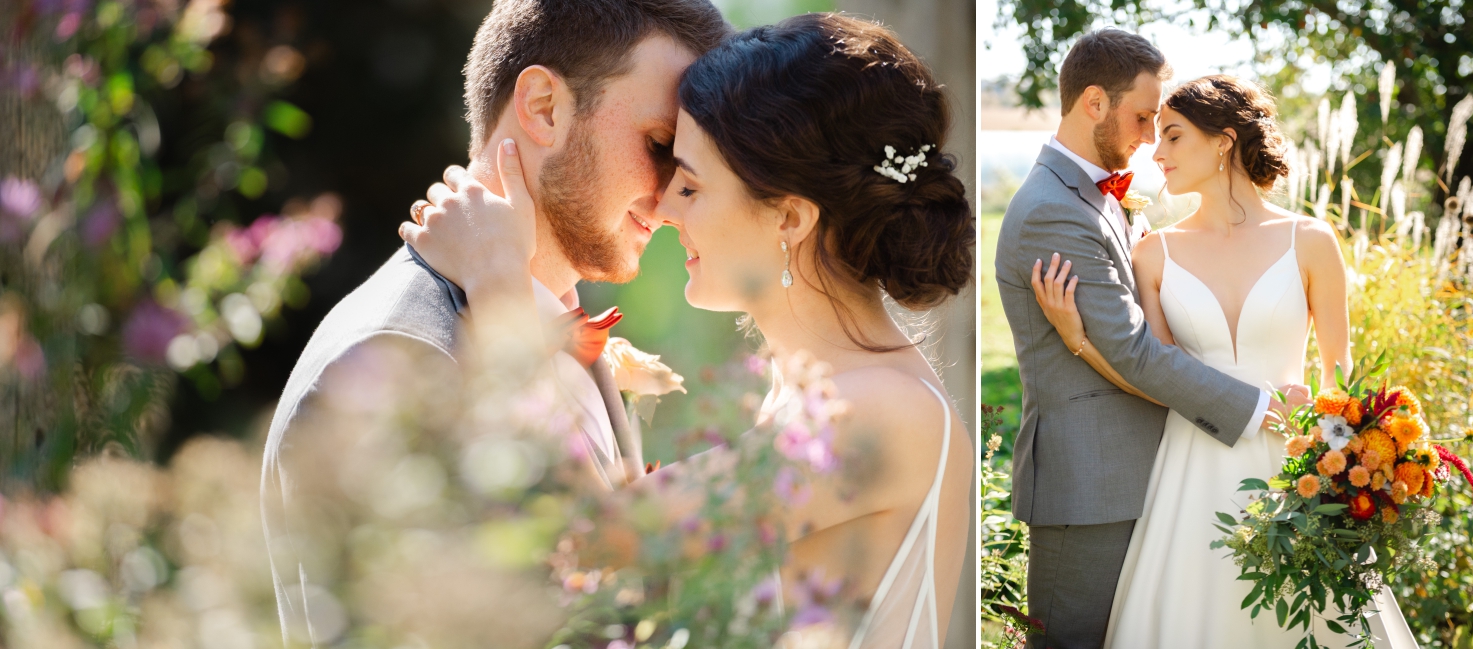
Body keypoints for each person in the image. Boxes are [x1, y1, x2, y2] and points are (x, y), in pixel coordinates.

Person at [402, 14, 975, 647]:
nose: (664, 207)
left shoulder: (877, 411)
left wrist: (498, 281)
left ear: (788, 216)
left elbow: (593, 538)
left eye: (691, 185)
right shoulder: (828, 391)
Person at [259, 1, 731, 645]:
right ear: (543, 107)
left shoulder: (567, 333)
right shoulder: (394, 353)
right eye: (659, 146)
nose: (677, 193)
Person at [1030, 73, 1419, 648]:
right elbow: (1154, 372)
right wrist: (1076, 338)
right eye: (1156, 137)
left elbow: (1340, 370)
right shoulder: (1153, 252)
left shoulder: (1311, 240)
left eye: (1173, 136)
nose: (1155, 154)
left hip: (1297, 466)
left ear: (1224, 141)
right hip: (1192, 470)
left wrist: (1340, 458)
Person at [991, 29, 1311, 649]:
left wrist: (1086, 342)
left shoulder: (1095, 196)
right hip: (1089, 485)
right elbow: (1133, 351)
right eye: (1142, 118)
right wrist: (1261, 406)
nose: (1147, 137)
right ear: (1093, 103)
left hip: (1148, 474)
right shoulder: (1053, 209)